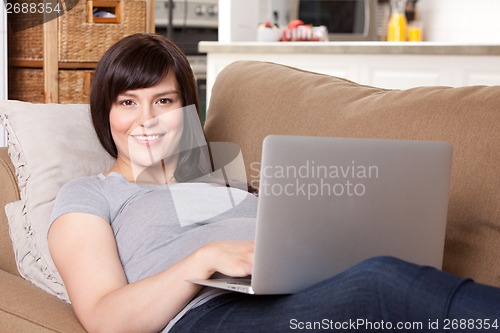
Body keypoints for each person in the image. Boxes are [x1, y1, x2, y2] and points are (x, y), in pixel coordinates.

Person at [48, 33, 500, 333]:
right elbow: (105, 317)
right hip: (209, 317)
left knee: (389, 274)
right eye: (128, 102)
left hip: (299, 292)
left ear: (185, 109)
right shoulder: (91, 194)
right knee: (382, 283)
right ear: (106, 112)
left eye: (163, 100)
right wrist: (204, 260)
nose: (146, 120)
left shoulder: (220, 178)